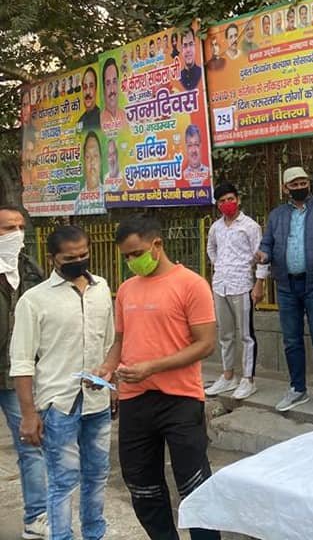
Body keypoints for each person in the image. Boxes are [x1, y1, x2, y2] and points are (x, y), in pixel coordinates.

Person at [95, 214, 220, 540]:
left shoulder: (191, 284)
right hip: (135, 400)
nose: (131, 261)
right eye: (126, 256)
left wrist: (152, 367)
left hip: (181, 399)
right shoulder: (126, 290)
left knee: (194, 484)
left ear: (157, 244)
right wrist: (106, 368)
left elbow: (205, 344)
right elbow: (121, 341)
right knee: (141, 485)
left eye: (136, 253)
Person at [11, 225, 114, 540]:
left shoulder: (102, 289)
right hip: (58, 405)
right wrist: (29, 415)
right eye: (70, 257)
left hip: (97, 401)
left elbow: (110, 342)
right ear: (53, 257)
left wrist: (112, 382)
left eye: (84, 254)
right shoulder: (34, 300)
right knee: (63, 481)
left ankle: (94, 534)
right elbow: (22, 362)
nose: (79, 260)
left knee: (97, 476)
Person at [254, 167, 313, 414]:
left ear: (309, 183)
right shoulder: (277, 216)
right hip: (285, 285)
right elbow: (267, 243)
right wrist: (263, 255)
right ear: (285, 188)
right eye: (294, 184)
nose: (299, 187)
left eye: (303, 182)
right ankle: (297, 389)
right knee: (291, 340)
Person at [0, 206, 48, 540]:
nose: (16, 234)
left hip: (16, 376)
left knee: (31, 446)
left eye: (20, 227)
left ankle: (37, 518)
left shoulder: (30, 271)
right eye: (7, 228)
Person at [205, 183, 262, 401]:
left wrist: (259, 282)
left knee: (246, 335)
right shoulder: (216, 227)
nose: (226, 204)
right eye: (221, 201)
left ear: (237, 199)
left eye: (230, 199)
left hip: (242, 285)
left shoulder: (250, 226)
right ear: (217, 205)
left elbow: (261, 255)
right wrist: (218, 264)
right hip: (221, 285)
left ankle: (248, 379)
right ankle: (228, 375)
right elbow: (211, 247)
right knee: (225, 334)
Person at [100, 58, 124, 133]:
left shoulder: (125, 116)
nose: (112, 90)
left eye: (114, 82)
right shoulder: (99, 121)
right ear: (104, 89)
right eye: (108, 84)